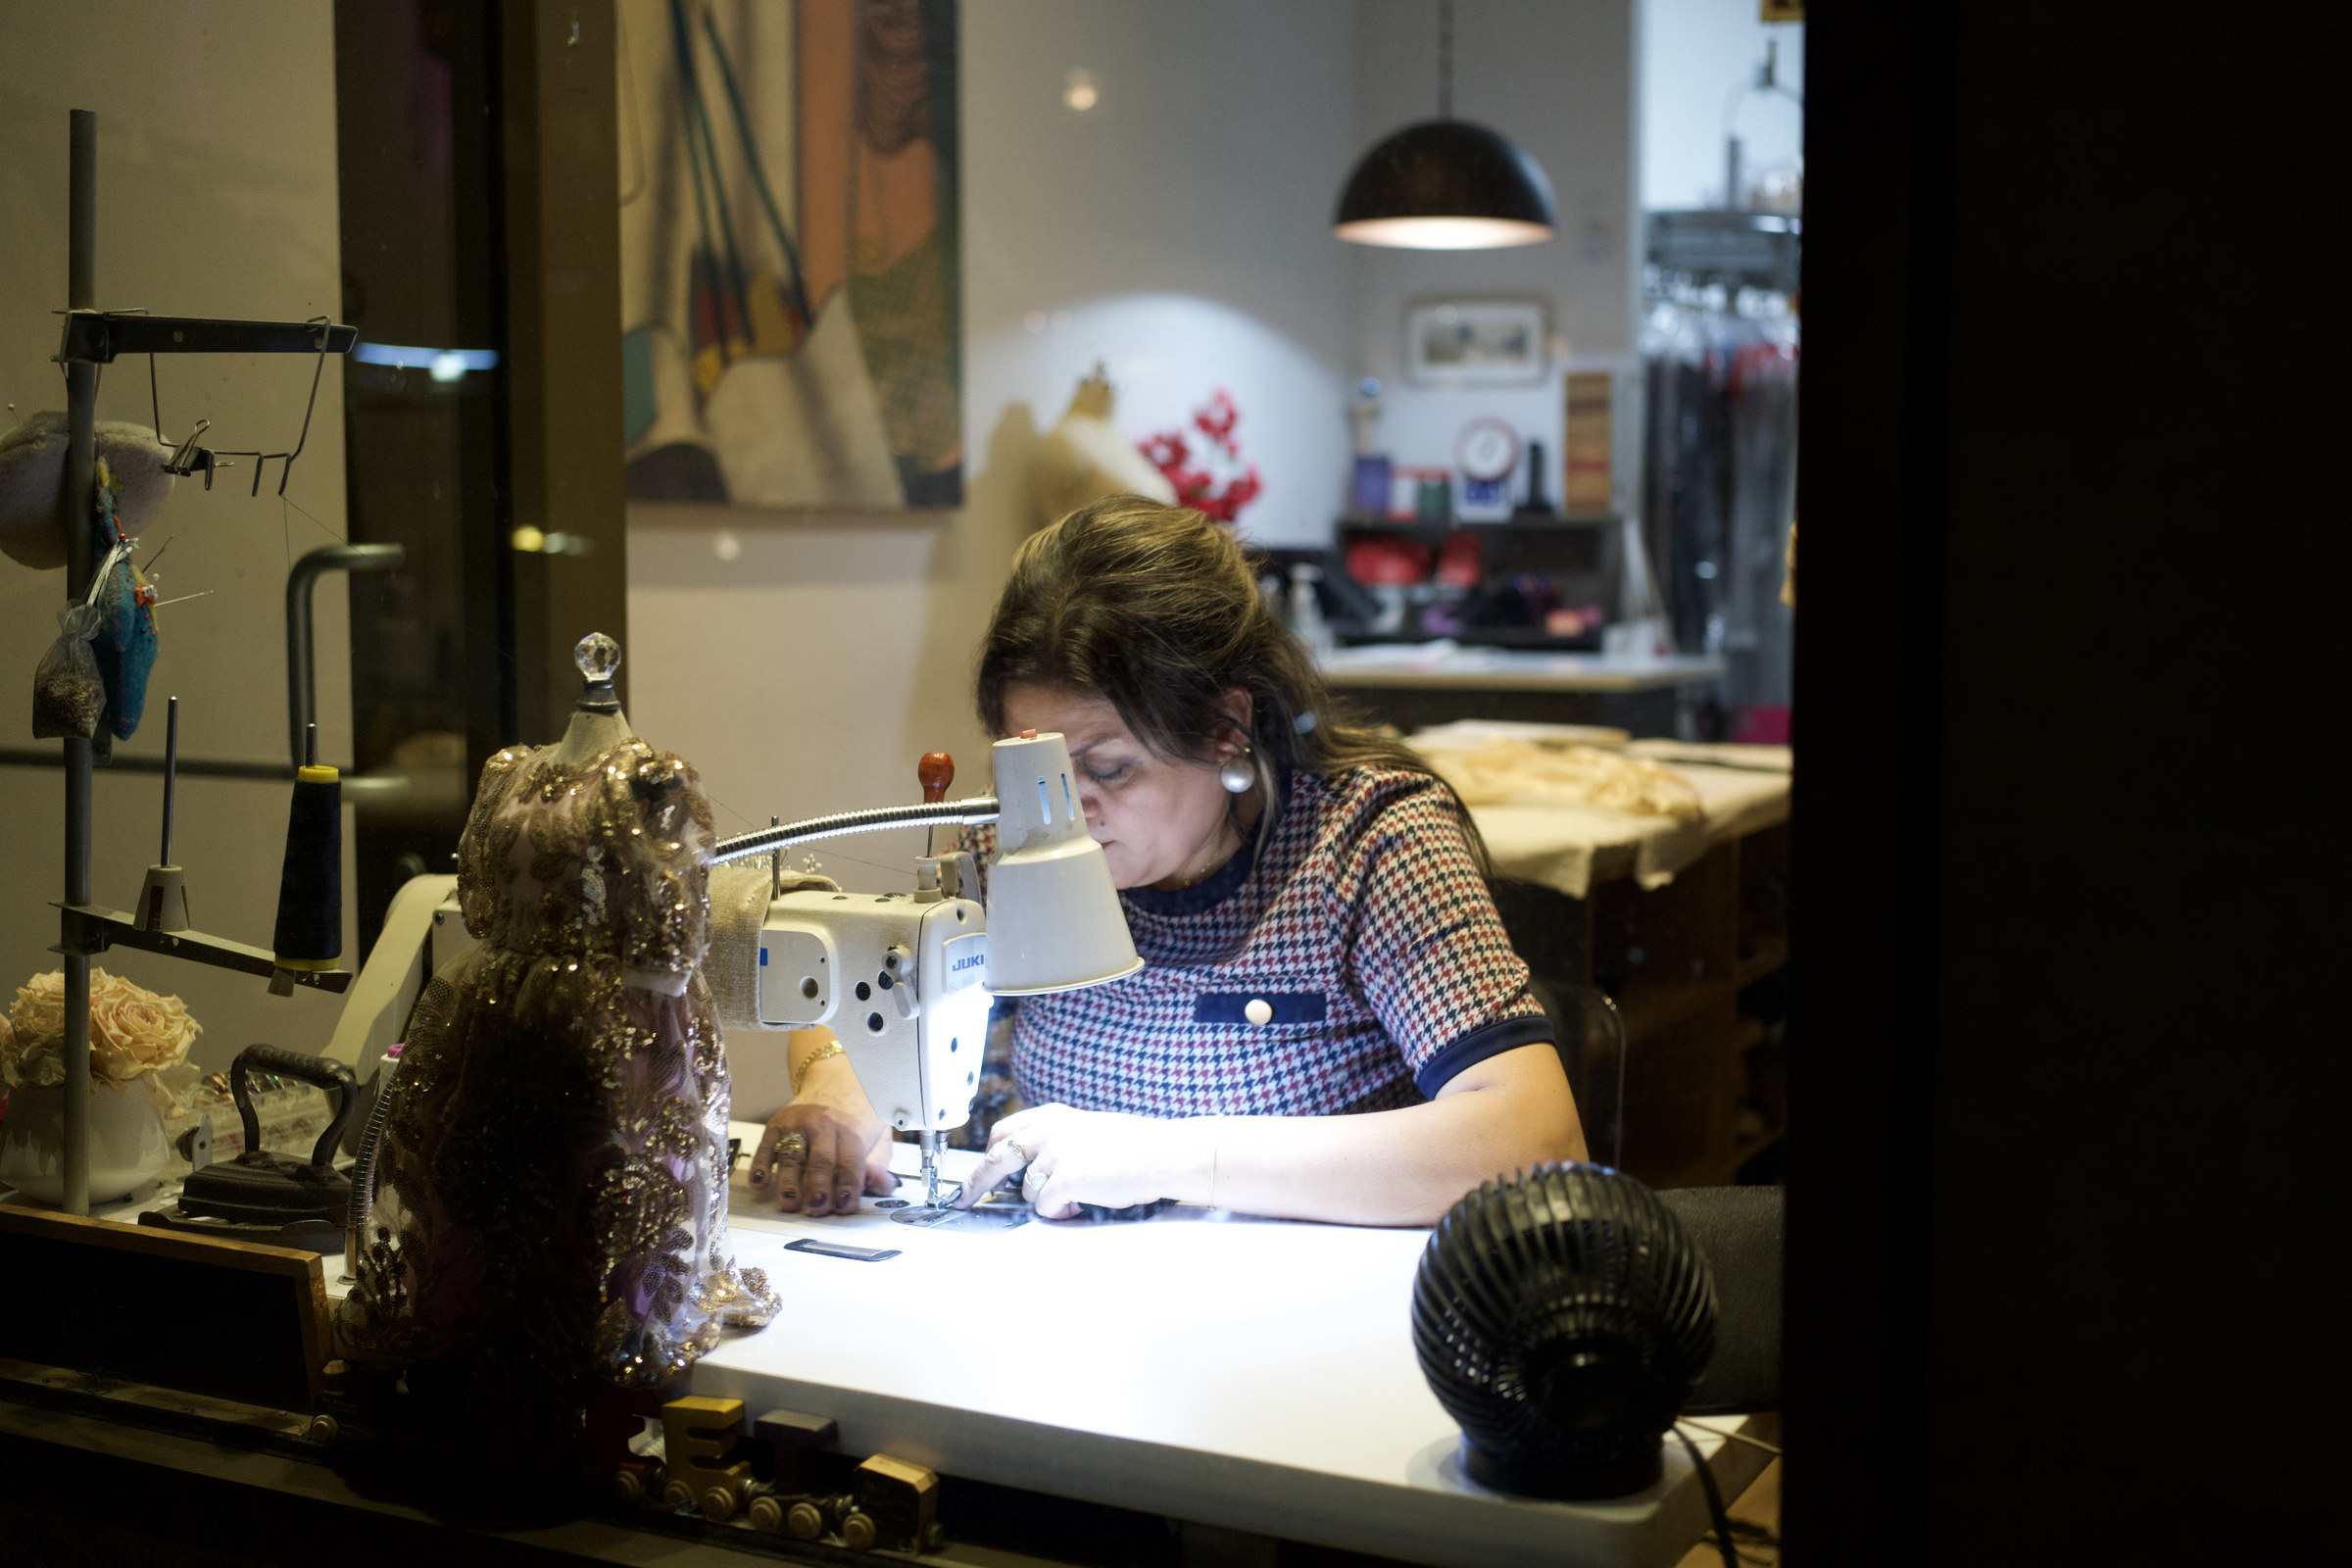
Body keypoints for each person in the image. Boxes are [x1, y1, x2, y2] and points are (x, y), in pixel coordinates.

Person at [748, 496, 1585, 1227]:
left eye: (1110, 769)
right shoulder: (1012, 841)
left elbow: (1534, 1137)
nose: (1064, 811)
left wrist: (1169, 1156)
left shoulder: (1368, 843)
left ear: (1224, 729)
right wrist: (837, 1084)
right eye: (1032, 771)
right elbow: (864, 987)